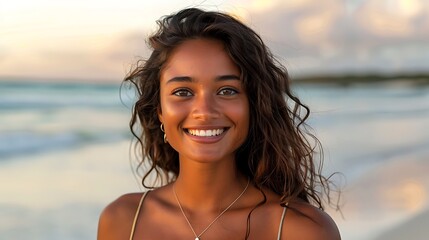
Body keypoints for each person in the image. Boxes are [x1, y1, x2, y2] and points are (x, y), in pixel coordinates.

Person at [97, 7, 341, 240]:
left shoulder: (301, 230)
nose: (204, 111)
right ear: (160, 110)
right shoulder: (123, 221)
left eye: (227, 91)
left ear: (253, 105)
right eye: (182, 92)